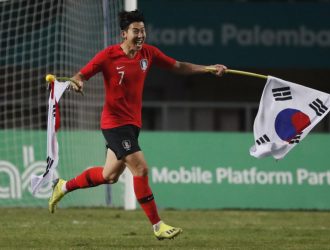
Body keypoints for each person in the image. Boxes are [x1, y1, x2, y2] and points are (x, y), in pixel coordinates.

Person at [48, 9, 227, 240]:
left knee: (109, 175)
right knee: (141, 169)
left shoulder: (148, 54)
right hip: (114, 124)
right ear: (124, 34)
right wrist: (77, 83)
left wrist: (208, 68)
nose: (141, 35)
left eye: (143, 30)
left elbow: (178, 66)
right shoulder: (108, 56)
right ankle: (158, 226)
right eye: (136, 31)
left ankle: (63, 186)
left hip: (132, 125)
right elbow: (80, 76)